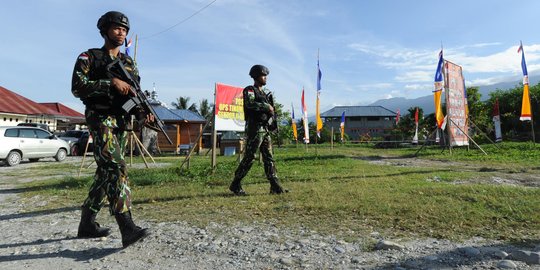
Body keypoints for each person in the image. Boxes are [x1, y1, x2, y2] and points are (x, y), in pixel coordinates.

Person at [71, 11, 150, 248]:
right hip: (100, 120)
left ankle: (87, 223)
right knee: (116, 167)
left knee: (105, 174)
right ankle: (127, 226)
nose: (121, 32)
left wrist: (140, 113)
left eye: (124, 29)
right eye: (116, 28)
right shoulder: (89, 57)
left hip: (120, 123)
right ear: (105, 30)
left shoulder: (129, 63)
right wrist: (110, 83)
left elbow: (131, 97)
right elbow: (77, 87)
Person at [229, 65, 287, 196]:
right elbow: (250, 104)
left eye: (266, 75)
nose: (265, 78)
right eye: (263, 75)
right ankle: (236, 183)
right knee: (250, 157)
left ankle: (275, 185)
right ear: (256, 76)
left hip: (265, 129)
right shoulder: (250, 90)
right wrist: (266, 106)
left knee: (269, 157)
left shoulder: (265, 94)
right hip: (255, 129)